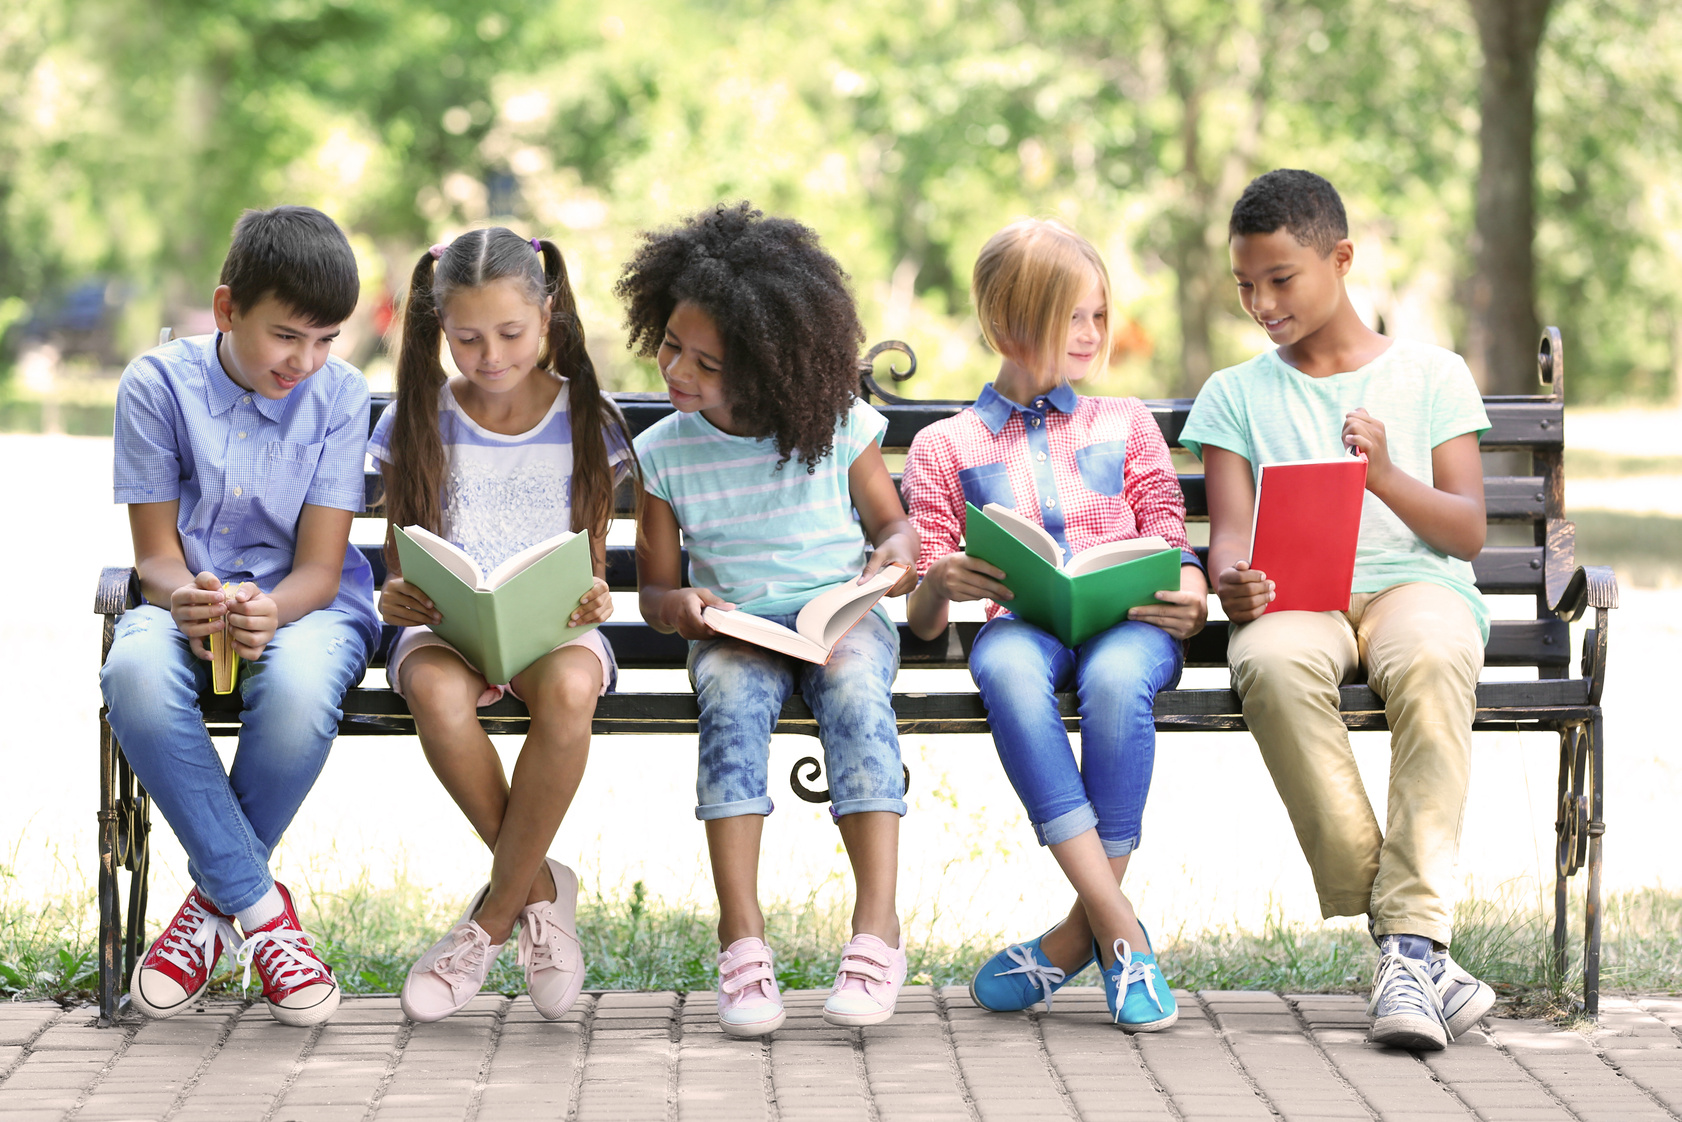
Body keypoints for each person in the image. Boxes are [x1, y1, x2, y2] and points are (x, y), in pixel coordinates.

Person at [1180, 169, 1498, 1051]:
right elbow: (1232, 539)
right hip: (1298, 596)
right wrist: (1235, 580)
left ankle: (1408, 946)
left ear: (1341, 258)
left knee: (1434, 659)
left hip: (1416, 587)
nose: (1262, 302)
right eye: (1246, 284)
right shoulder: (1236, 394)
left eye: (1281, 279)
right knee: (1271, 662)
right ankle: (1411, 944)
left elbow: (1467, 533)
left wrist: (1387, 474)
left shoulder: (1433, 373)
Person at [621, 203, 919, 1037]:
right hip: (736, 630)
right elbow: (654, 593)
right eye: (672, 344)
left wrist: (892, 557)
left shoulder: (836, 429)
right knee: (730, 710)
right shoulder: (665, 454)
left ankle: (877, 929)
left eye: (708, 364)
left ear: (770, 370)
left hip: (840, 617)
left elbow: (892, 524)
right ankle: (742, 936)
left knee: (859, 700)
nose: (679, 370)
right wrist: (681, 608)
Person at [902, 218, 1206, 1032]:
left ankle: (1082, 937)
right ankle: (1120, 935)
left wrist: (1191, 589)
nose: (1091, 333)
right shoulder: (943, 446)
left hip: (1129, 621)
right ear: (1008, 323)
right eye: (1072, 315)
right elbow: (926, 620)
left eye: (1098, 315)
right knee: (1002, 669)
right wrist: (938, 579)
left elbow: (1170, 534)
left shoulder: (1125, 421)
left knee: (1112, 681)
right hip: (1022, 623)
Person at [101, 205, 379, 1026]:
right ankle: (261, 913)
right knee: (134, 674)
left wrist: (272, 610)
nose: (307, 359)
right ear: (227, 310)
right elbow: (155, 556)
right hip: (181, 597)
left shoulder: (339, 395)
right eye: (288, 335)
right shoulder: (155, 386)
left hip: (307, 606)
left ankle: (209, 912)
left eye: (327, 339)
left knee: (295, 690)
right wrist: (184, 596)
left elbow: (321, 571)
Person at [370, 227, 637, 1023]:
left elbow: (593, 563)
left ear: (548, 316)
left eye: (510, 334)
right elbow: (400, 558)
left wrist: (595, 597)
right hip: (449, 628)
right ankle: (541, 887)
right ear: (439, 331)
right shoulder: (423, 417)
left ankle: (489, 924)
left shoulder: (587, 416)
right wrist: (394, 595)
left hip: (552, 627)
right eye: (467, 339)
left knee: (568, 693)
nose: (489, 356)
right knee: (436, 693)